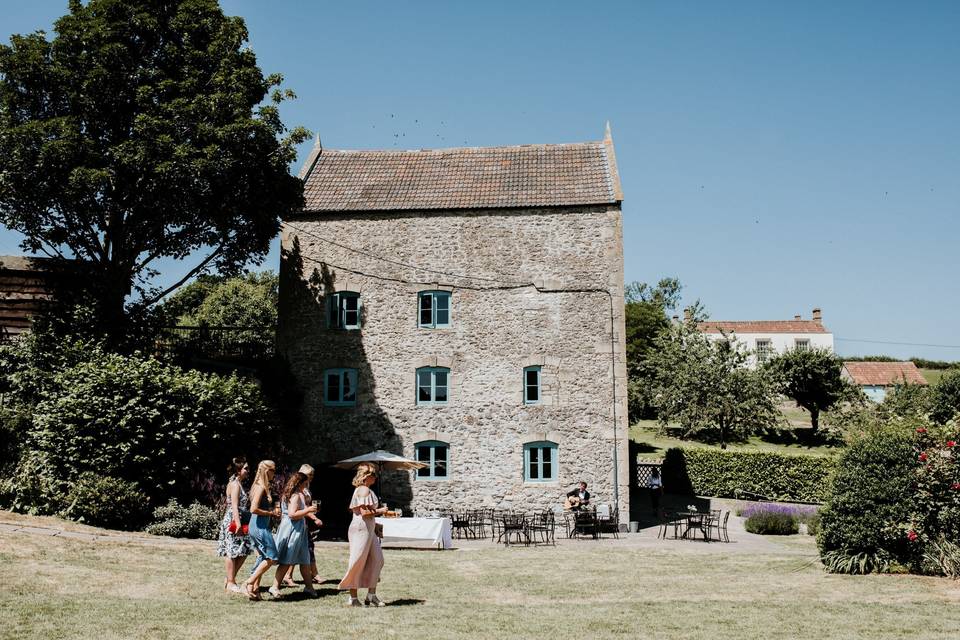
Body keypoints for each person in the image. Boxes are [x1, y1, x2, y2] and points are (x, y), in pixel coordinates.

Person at [338, 462, 387, 607]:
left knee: (378, 559)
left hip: (368, 528)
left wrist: (375, 525)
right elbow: (364, 513)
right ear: (366, 476)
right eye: (374, 475)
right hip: (361, 529)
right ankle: (353, 598)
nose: (376, 478)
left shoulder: (365, 489)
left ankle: (371, 595)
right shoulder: (364, 490)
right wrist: (381, 511)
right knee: (358, 560)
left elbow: (363, 513)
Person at [271, 471, 318, 598]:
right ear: (300, 483)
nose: (306, 485)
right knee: (287, 559)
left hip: (299, 530)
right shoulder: (295, 495)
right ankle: (274, 587)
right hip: (293, 529)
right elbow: (292, 514)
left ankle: (309, 587)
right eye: (305, 482)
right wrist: (308, 510)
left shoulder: (293, 494)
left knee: (305, 559)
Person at [244, 460, 281, 600]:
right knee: (272, 557)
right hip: (259, 525)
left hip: (257, 524)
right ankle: (250, 582)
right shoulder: (260, 487)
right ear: (267, 471)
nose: (275, 474)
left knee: (262, 556)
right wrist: (271, 513)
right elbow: (253, 509)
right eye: (273, 470)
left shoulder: (258, 485)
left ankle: (255, 590)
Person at [217, 456, 253, 595]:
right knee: (232, 551)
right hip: (234, 521)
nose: (248, 471)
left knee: (244, 550)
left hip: (240, 519)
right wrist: (238, 524)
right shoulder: (234, 485)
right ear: (238, 470)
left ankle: (230, 578)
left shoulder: (238, 483)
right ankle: (231, 582)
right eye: (246, 468)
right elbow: (235, 507)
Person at [299, 464, 323, 586]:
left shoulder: (307, 487)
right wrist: (315, 518)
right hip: (300, 522)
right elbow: (302, 508)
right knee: (307, 548)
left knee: (302, 549)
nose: (311, 477)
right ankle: (315, 574)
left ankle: (288, 576)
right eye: (309, 475)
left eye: (312, 474)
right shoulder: (301, 489)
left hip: (305, 522)